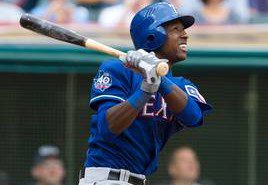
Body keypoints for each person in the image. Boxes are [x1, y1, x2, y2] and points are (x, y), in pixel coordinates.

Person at [79, 2, 212, 185]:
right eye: (175, 29)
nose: (185, 35)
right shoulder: (118, 69)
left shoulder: (180, 85)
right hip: (106, 178)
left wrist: (158, 78)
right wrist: (144, 92)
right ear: (153, 35)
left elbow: (194, 117)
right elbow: (108, 128)